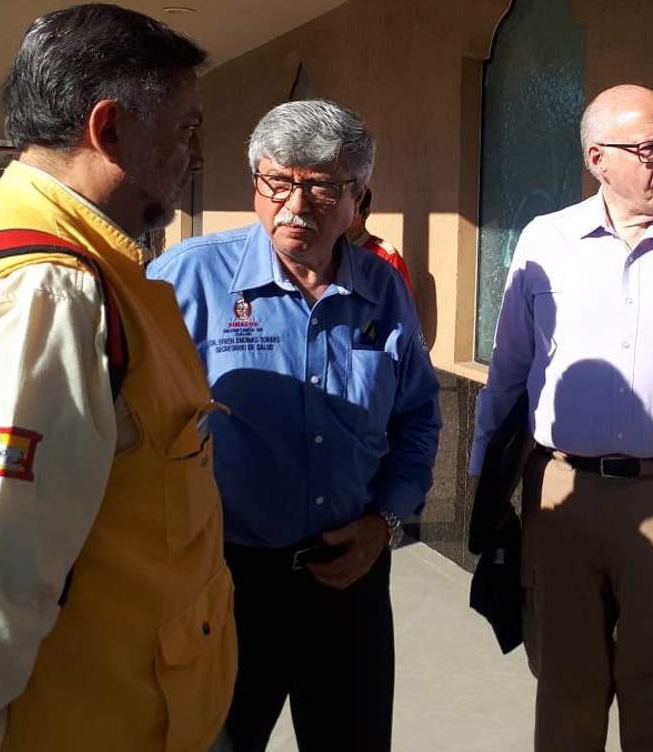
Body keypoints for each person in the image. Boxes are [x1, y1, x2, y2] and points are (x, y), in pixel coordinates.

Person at [0, 3, 236, 751]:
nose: (197, 157)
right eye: (186, 130)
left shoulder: (75, 264)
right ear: (110, 129)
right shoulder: (46, 293)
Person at [473, 83, 653, 752]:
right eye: (649, 148)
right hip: (563, 497)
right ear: (598, 159)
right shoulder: (547, 241)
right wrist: (484, 482)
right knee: (566, 690)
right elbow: (509, 369)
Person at [148, 99, 441, 752]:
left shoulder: (383, 289)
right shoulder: (187, 278)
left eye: (322, 188)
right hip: (222, 586)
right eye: (276, 182)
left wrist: (385, 522)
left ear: (358, 198)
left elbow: (418, 418)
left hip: (350, 579)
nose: (295, 206)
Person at [347, 185, 413, 291]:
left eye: (351, 211)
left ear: (365, 214)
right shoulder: (329, 252)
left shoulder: (386, 256)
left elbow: (401, 299)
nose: (343, 216)